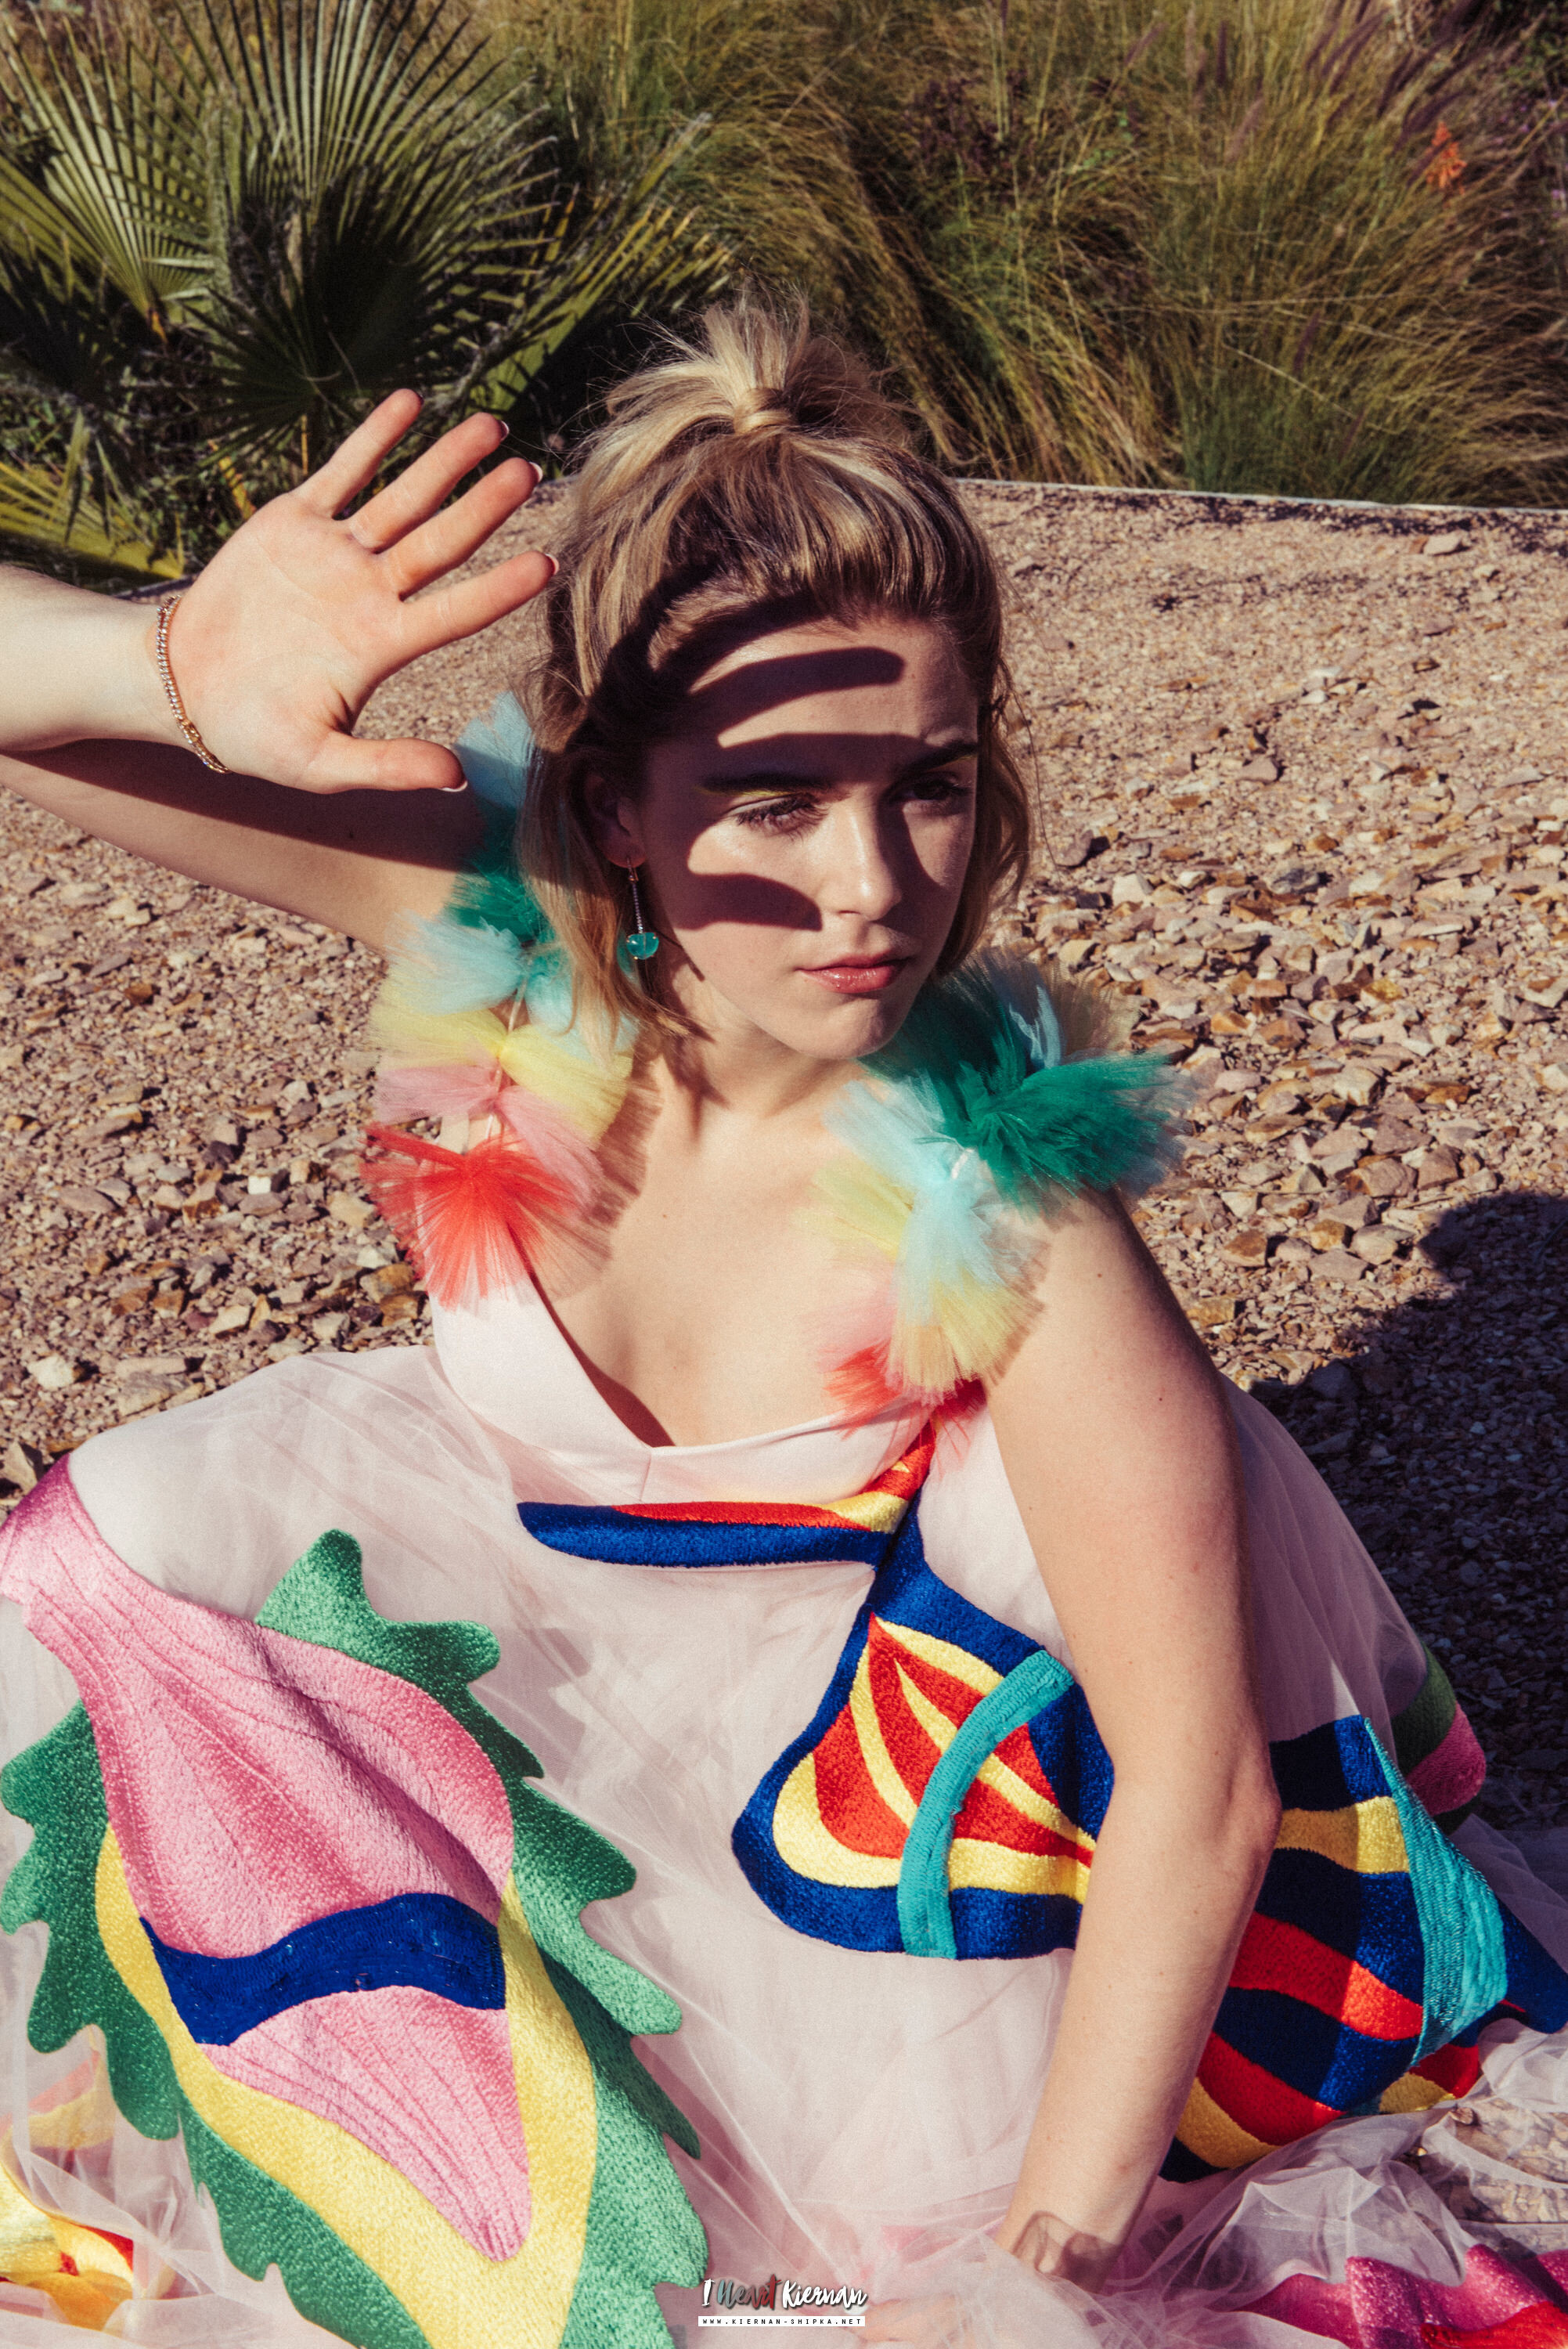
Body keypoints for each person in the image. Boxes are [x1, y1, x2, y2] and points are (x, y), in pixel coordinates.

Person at [0, 303, 1564, 2349]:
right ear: (613, 807)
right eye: (776, 799)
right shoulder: (499, 930)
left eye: (927, 786)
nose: (873, 889)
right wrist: (162, 668)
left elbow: (1196, 1798)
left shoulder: (1010, 1212)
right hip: (584, 1667)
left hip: (935, 1851)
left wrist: (1030, 2283)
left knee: (798, 2286)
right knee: (124, 1543)